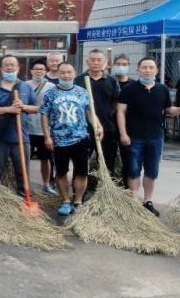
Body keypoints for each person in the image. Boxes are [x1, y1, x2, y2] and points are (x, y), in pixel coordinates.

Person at [116, 57, 180, 216]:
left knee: (152, 171)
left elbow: (169, 110)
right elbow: (121, 112)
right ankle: (134, 201)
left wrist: (177, 109)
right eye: (144, 67)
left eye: (151, 67)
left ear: (156, 70)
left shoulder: (162, 89)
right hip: (134, 137)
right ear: (138, 69)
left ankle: (148, 201)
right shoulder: (129, 89)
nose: (148, 70)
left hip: (156, 137)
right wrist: (123, 133)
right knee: (134, 170)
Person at [41, 62, 100, 215]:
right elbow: (44, 115)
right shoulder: (50, 93)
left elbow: (90, 112)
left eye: (69, 72)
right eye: (62, 72)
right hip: (59, 140)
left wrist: (98, 125)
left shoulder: (82, 92)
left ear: (74, 73)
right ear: (57, 74)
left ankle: (78, 201)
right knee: (61, 172)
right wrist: (47, 136)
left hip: (80, 138)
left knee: (82, 172)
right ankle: (66, 201)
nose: (66, 75)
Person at [0, 55, 38, 194]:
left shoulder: (26, 87)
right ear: (1, 68)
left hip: (21, 137)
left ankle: (24, 197)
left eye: (13, 65)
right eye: (6, 65)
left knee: (22, 171)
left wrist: (23, 106)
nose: (9, 67)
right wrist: (8, 109)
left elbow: (36, 108)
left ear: (18, 68)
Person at [74, 49, 121, 182]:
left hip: (107, 127)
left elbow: (115, 103)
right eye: (93, 60)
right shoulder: (79, 80)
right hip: (83, 128)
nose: (96, 63)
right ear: (87, 62)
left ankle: (104, 188)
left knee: (107, 161)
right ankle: (80, 191)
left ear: (104, 62)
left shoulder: (112, 81)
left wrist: (105, 116)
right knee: (81, 162)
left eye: (99, 60)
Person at [26, 59, 57, 194]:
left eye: (42, 69)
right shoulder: (24, 85)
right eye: (36, 69)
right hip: (27, 128)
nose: (39, 71)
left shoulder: (51, 87)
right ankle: (26, 185)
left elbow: (54, 106)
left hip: (45, 130)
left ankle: (46, 184)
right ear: (31, 71)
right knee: (25, 158)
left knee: (46, 158)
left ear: (45, 71)